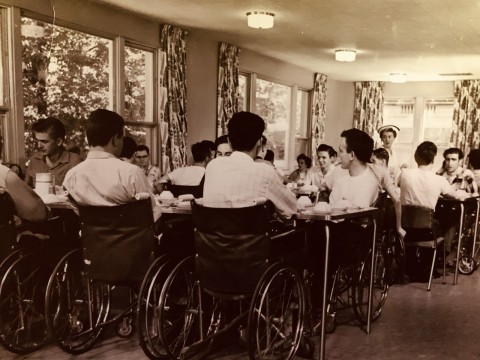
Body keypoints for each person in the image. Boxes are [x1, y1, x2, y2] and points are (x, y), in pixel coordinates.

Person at [62, 109, 160, 221]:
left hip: (92, 238)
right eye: (122, 138)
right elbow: (151, 215)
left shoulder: (71, 176)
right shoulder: (131, 173)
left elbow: (80, 216)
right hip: (130, 237)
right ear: (115, 140)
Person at [203, 111, 296, 219]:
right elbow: (291, 208)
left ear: (228, 141)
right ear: (259, 142)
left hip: (212, 235)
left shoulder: (213, 166)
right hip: (250, 235)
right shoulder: (265, 172)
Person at [399, 142, 470, 265]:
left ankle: (410, 263)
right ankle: (437, 259)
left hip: (405, 227)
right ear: (433, 160)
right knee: (445, 220)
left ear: (416, 157)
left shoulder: (404, 174)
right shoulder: (439, 180)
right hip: (427, 230)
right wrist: (467, 194)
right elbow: (454, 195)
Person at [25, 117, 82, 188]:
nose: (39, 146)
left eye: (44, 142)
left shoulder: (74, 162)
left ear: (59, 142)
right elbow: (27, 191)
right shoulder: (34, 160)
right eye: (37, 141)